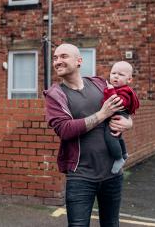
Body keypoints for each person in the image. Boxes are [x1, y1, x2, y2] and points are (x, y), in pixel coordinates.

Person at [44, 43, 133, 227]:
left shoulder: (99, 83)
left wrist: (129, 123)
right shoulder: (55, 94)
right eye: (55, 58)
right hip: (80, 176)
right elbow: (64, 129)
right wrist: (102, 114)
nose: (57, 61)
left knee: (112, 224)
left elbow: (125, 105)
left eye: (63, 56)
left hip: (112, 174)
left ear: (79, 61)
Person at [102, 61, 140, 174]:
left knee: (110, 137)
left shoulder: (125, 91)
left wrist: (110, 91)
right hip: (117, 116)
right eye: (113, 73)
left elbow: (120, 103)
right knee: (118, 137)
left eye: (121, 74)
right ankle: (123, 153)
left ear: (129, 80)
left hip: (118, 116)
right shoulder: (118, 88)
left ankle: (118, 158)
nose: (116, 76)